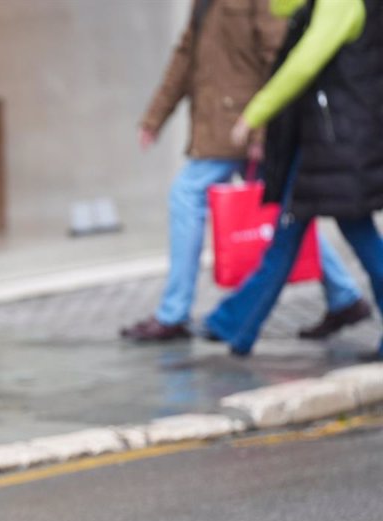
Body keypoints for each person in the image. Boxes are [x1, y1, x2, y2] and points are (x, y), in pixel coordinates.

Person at [122, 0, 369, 342]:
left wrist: (260, 126)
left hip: (250, 123)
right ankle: (341, 296)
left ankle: (184, 315)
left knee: (193, 195)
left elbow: (287, 58)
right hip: (236, 123)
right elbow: (185, 55)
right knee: (291, 217)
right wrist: (154, 117)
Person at [204, 0, 383, 358]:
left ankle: (233, 324)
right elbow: (283, 8)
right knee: (298, 238)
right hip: (324, 145)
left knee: (335, 238)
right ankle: (234, 325)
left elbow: (303, 64)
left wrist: (254, 114)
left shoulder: (341, 3)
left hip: (336, 146)